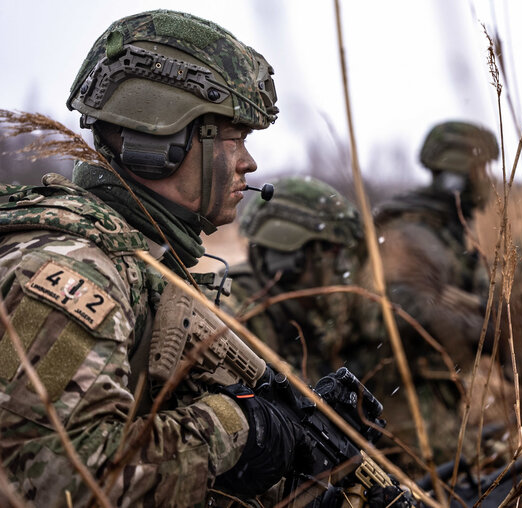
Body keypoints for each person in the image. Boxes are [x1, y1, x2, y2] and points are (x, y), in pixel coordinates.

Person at [0, 10, 303, 506]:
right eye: (234, 138)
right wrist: (234, 428)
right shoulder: (74, 271)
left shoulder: (138, 258)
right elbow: (57, 479)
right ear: (158, 145)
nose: (249, 163)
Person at [373, 120, 509, 464]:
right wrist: (482, 332)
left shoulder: (444, 230)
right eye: (481, 170)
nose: (488, 180)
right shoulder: (413, 233)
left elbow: (462, 291)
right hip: (405, 405)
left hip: (433, 400)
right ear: (456, 177)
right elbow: (403, 311)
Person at [226, 175, 384, 383]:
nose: (342, 266)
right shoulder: (232, 315)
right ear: (290, 260)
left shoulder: (312, 315)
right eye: (333, 251)